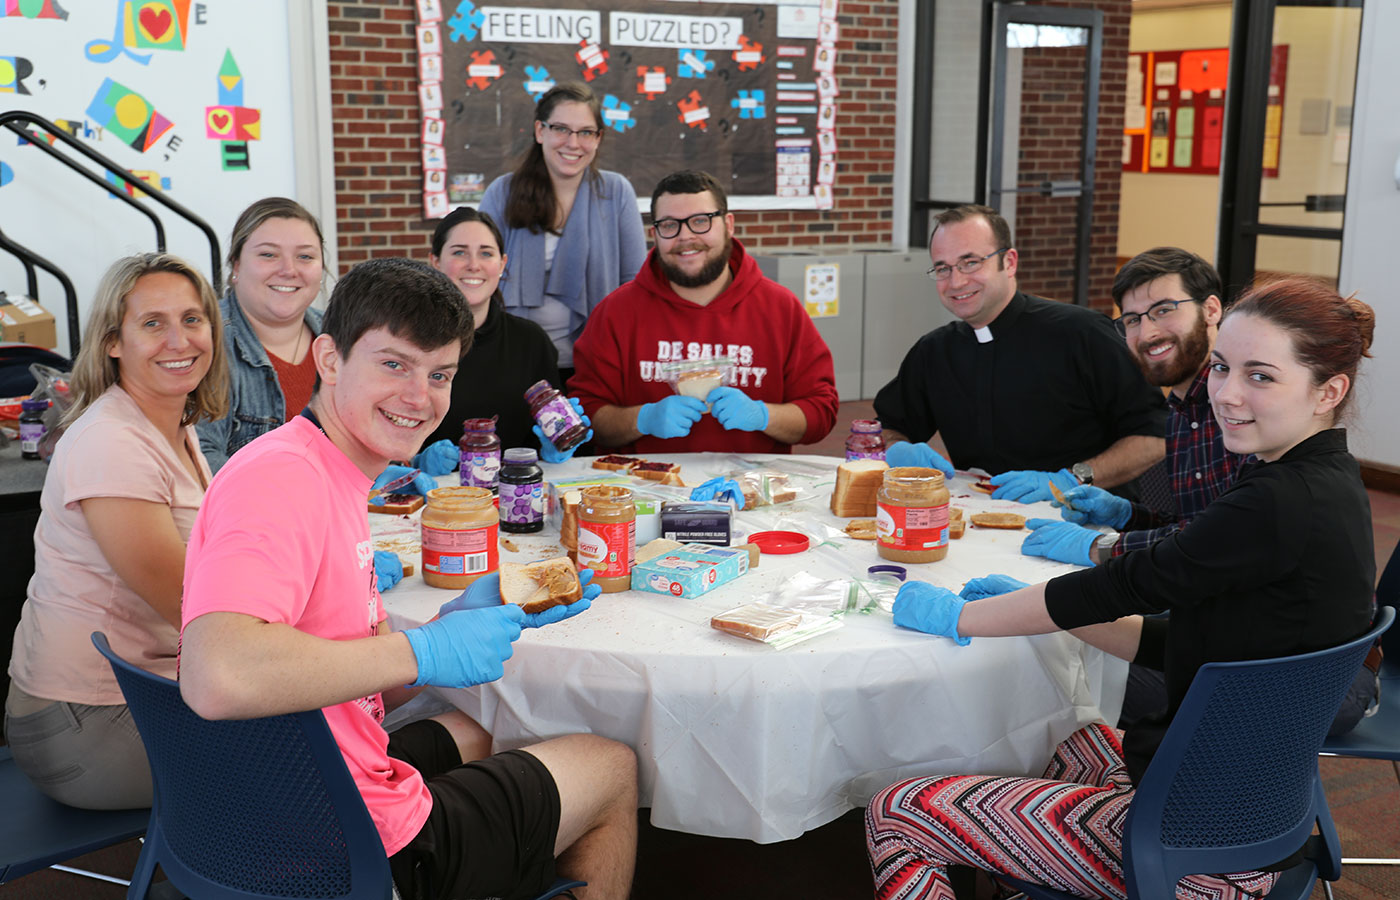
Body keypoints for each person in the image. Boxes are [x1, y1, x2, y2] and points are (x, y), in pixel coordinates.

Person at [866, 276, 1377, 900]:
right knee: (1052, 737)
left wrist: (963, 619)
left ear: (1329, 390)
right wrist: (1041, 610)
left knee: (898, 812)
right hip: (1259, 807)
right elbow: (1193, 637)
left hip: (1198, 848)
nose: (1227, 394)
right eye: (1221, 368)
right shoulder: (1327, 476)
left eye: (1261, 376)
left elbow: (1120, 585)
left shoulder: (1277, 501)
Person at [178, 257, 637, 900]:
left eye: (439, 374)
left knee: (487, 729)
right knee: (612, 765)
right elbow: (215, 675)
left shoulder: (318, 465)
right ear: (330, 359)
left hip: (278, 788)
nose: (419, 397)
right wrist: (422, 648)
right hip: (334, 840)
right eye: (393, 364)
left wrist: (435, 646)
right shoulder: (282, 482)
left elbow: (340, 677)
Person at [1025, 248, 1378, 735]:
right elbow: (1215, 533)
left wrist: (1102, 546)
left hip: (1283, 684)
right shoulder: (1188, 410)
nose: (1146, 332)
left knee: (1060, 668)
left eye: (1163, 310)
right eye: (1131, 319)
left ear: (1212, 310)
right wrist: (1128, 516)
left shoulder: (1255, 436)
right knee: (1065, 645)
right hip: (1253, 639)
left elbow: (1216, 540)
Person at [6, 253, 227, 809]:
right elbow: (195, 611)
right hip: (84, 721)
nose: (180, 340)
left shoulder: (173, 423)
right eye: (153, 323)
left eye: (193, 319)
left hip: (142, 693)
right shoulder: (111, 441)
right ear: (112, 341)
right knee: (320, 752)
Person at [873, 205, 1167, 502]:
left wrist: (1072, 479)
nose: (956, 281)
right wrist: (896, 447)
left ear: (1009, 262)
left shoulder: (1083, 334)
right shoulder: (934, 352)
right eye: (942, 268)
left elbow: (1156, 437)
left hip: (1083, 524)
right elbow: (884, 429)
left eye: (970, 262)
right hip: (978, 522)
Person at [570, 169, 840, 454]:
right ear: (655, 234)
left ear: (728, 224)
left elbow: (821, 413)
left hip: (754, 490)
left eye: (700, 221)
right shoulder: (616, 313)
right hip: (645, 490)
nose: (685, 237)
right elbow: (587, 418)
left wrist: (763, 415)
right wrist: (642, 419)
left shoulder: (781, 309)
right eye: (670, 225)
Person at [480, 82, 648, 381]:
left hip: (595, 363)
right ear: (540, 131)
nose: (573, 143)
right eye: (561, 129)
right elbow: (479, 278)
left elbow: (634, 285)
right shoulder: (502, 193)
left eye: (585, 132)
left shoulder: (616, 192)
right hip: (512, 362)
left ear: (598, 139)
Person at [416, 206, 592, 469]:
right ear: (436, 262)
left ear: (502, 264)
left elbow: (550, 438)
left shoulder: (531, 342)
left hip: (519, 495)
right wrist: (416, 461)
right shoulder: (412, 342)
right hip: (436, 498)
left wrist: (554, 447)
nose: (473, 265)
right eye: (459, 252)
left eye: (486, 253)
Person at [197, 197, 327, 472]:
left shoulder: (340, 336)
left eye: (305, 256)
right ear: (237, 265)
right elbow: (201, 458)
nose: (288, 270)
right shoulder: (205, 341)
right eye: (268, 254)